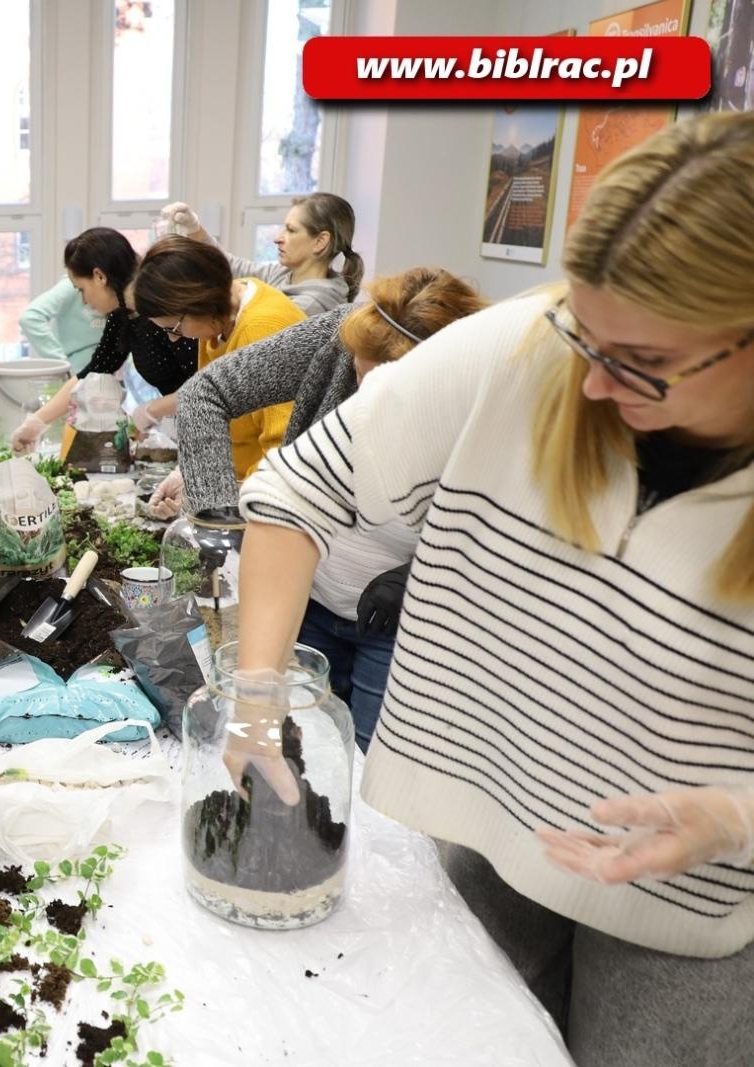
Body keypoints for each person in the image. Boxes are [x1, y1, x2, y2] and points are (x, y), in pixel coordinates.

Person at [230, 112, 754, 1065]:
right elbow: (295, 492)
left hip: (692, 902)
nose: (591, 385)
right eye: (582, 335)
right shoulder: (534, 345)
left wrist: (731, 815)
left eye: (641, 363)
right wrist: (256, 697)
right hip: (482, 820)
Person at [161, 268, 489, 749]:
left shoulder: (487, 393)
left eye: (384, 382)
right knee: (300, 748)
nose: (362, 388)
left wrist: (419, 570)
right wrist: (220, 521)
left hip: (400, 624)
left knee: (372, 762)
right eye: (358, 369)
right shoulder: (346, 331)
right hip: (311, 603)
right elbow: (204, 394)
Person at [130, 235, 306, 477]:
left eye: (174, 328)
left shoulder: (262, 329)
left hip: (266, 493)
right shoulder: (218, 319)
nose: (174, 338)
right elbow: (214, 408)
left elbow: (284, 452)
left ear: (198, 304)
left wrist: (221, 493)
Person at [9, 228, 198, 453]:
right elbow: (92, 372)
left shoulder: (163, 312)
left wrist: (151, 410)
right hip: (189, 430)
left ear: (100, 276)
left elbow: (205, 382)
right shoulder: (122, 315)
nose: (84, 301)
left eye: (82, 289)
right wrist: (36, 423)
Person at [158, 192, 362, 316]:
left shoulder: (310, 305)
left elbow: (251, 325)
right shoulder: (284, 273)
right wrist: (195, 229)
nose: (278, 238)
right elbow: (232, 266)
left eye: (290, 230)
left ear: (320, 242)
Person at [19, 272, 107, 373]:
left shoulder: (122, 289)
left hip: (106, 377)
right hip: (74, 377)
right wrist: (62, 364)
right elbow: (30, 318)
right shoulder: (73, 285)